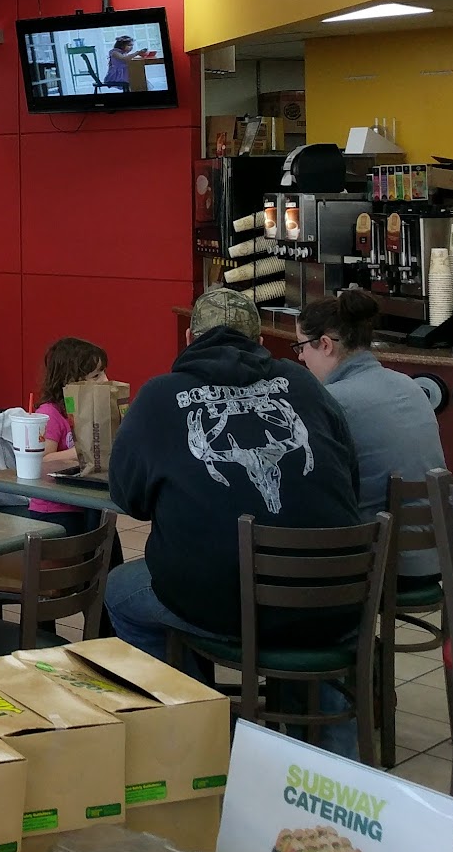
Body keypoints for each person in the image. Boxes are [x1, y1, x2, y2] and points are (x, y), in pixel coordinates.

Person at [105, 285, 362, 668]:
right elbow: (350, 480)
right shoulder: (306, 383)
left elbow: (130, 499)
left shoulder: (159, 396)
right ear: (260, 342)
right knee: (305, 624)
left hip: (224, 606)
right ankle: (308, 699)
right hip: (337, 598)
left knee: (119, 589)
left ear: (189, 339)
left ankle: (191, 698)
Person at [295, 288, 446, 586]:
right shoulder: (409, 385)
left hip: (381, 564)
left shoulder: (331, 400)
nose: (300, 357)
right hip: (437, 556)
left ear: (325, 344)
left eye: (300, 347)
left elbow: (312, 486)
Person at [25, 336, 110, 537]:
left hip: (86, 501)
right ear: (71, 381)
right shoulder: (50, 413)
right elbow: (42, 460)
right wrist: (81, 451)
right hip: (54, 509)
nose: (105, 380)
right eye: (96, 376)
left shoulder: (89, 411)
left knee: (106, 538)